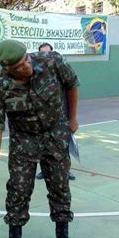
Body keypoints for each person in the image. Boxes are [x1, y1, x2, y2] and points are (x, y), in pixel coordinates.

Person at [0, 39, 80, 238]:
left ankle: (62, 237)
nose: (26, 66)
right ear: (6, 69)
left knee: (60, 187)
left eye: (25, 60)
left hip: (55, 135)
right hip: (23, 142)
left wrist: (72, 117)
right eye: (18, 67)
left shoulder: (52, 62)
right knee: (18, 190)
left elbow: (72, 84)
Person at [36, 42, 76, 181]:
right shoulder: (35, 73)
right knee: (43, 145)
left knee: (63, 144)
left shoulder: (62, 70)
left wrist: (71, 118)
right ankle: (44, 171)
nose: (46, 56)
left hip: (61, 117)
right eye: (43, 53)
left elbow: (72, 89)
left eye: (49, 53)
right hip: (42, 119)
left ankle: (66, 171)